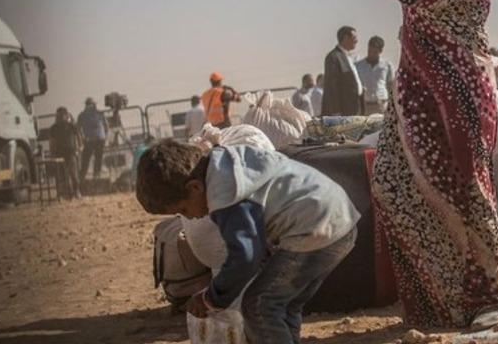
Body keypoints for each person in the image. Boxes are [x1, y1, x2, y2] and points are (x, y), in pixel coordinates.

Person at [321, 0, 498, 329]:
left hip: (461, 90)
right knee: (392, 183)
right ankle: (433, 301)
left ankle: (488, 299)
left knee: (466, 190)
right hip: (413, 86)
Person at [135, 140, 359, 343]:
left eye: (184, 210)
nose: (190, 217)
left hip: (315, 229)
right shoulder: (228, 166)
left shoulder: (226, 194)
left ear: (194, 187)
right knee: (283, 304)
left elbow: (245, 257)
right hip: (337, 219)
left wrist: (211, 298)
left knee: (259, 305)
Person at [322, 26, 364, 116]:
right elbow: (332, 86)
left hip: (353, 107)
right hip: (343, 111)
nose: (357, 41)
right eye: (354, 38)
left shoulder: (347, 57)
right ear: (345, 38)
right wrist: (336, 111)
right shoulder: (334, 57)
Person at [355, 36, 395, 115]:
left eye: (375, 52)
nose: (371, 54)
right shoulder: (358, 66)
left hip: (382, 105)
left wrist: (392, 105)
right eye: (369, 51)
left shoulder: (387, 65)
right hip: (364, 106)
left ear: (380, 51)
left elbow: (391, 86)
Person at [49, 106, 82, 199]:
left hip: (71, 153)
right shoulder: (53, 128)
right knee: (60, 175)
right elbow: (52, 142)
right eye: (57, 115)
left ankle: (77, 191)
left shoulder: (71, 126)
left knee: (74, 174)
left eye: (61, 115)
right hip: (59, 154)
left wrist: (80, 148)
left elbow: (79, 136)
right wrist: (52, 154)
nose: (59, 117)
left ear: (66, 115)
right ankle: (62, 194)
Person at [77, 97, 108, 185]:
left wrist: (105, 137)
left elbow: (106, 126)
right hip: (89, 140)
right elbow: (78, 129)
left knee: (98, 158)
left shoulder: (100, 114)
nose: (91, 106)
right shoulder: (82, 115)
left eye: (92, 104)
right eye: (89, 104)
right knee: (86, 159)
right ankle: (82, 177)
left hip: (99, 139)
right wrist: (82, 139)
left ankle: (96, 176)